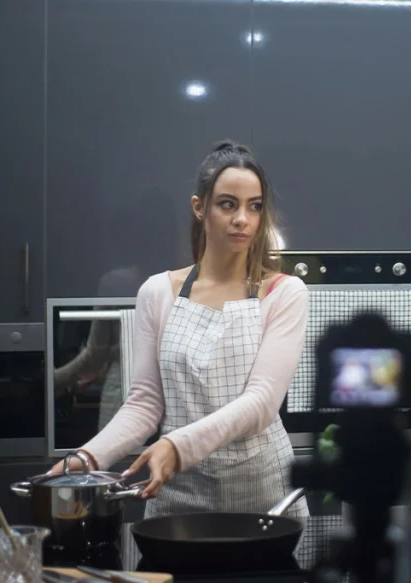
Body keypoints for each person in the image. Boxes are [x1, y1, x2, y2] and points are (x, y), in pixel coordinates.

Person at [49, 140, 309, 521]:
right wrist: (88, 456)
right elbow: (144, 404)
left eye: (254, 206)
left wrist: (176, 444)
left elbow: (261, 403)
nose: (242, 218)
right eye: (227, 204)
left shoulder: (284, 293)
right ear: (199, 207)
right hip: (179, 499)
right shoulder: (157, 292)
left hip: (265, 498)